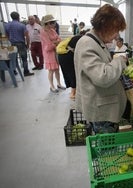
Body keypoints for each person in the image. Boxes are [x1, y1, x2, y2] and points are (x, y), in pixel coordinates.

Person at [74, 4, 127, 134]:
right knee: (106, 151)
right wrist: (119, 61)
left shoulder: (97, 42)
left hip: (104, 107)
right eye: (115, 30)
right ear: (105, 26)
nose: (116, 36)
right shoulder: (87, 44)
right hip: (101, 113)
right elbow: (102, 77)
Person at [58, 29, 89, 100]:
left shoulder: (77, 37)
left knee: (70, 74)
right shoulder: (81, 39)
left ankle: (73, 92)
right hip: (67, 56)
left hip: (63, 56)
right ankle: (73, 94)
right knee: (73, 74)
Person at [40, 14, 65, 93]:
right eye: (52, 22)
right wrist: (55, 42)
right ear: (47, 23)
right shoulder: (43, 32)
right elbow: (48, 46)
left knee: (57, 69)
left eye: (53, 22)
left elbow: (59, 39)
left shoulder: (52, 30)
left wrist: (54, 42)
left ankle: (59, 84)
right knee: (51, 70)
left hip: (55, 52)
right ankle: (52, 86)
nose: (54, 24)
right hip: (49, 53)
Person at [4, 11, 34, 76]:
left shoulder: (7, 25)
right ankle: (26, 72)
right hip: (21, 44)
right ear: (18, 17)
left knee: (13, 58)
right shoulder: (22, 25)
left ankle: (14, 70)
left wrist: (11, 40)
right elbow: (27, 36)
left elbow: (6, 35)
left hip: (12, 44)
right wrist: (28, 45)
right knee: (24, 58)